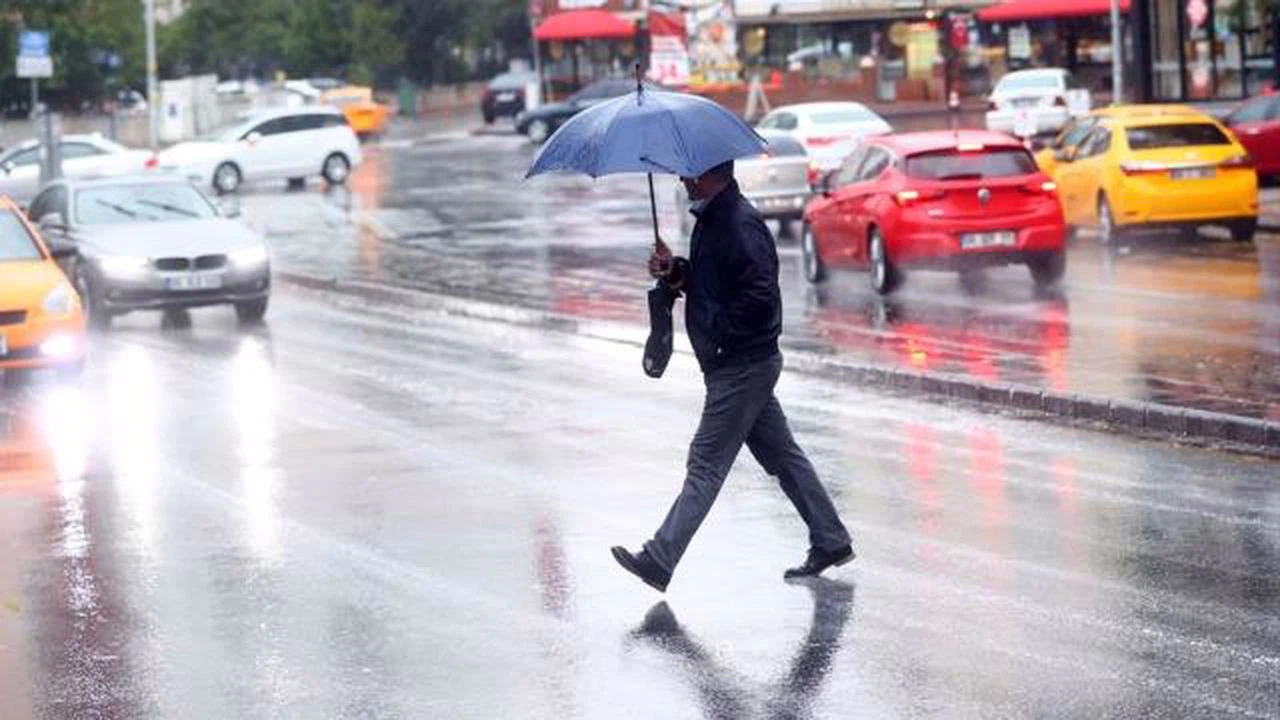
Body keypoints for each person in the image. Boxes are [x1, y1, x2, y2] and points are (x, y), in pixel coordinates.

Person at [611, 160, 853, 592]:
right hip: (741, 363)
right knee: (783, 457)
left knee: (704, 464)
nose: (683, 181)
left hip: (740, 365)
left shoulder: (739, 223)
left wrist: (721, 335)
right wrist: (676, 271)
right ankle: (830, 539)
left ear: (708, 175)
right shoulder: (716, 219)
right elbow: (714, 285)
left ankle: (659, 559)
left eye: (688, 174)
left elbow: (761, 295)